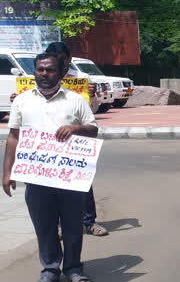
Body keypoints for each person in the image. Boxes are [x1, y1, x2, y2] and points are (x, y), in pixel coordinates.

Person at [2, 52, 99, 282]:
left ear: (62, 73)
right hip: (36, 176)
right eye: (40, 70)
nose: (44, 74)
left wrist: (75, 128)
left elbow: (93, 129)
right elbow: (13, 136)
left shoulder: (75, 100)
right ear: (34, 71)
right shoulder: (21, 101)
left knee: (72, 225)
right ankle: (50, 270)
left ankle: (74, 268)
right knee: (43, 225)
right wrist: (8, 172)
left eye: (50, 70)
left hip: (68, 176)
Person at [9, 42, 108, 237]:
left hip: (73, 146)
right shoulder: (38, 79)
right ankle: (58, 226)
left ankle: (88, 222)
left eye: (61, 58)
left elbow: (92, 113)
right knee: (46, 189)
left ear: (68, 60)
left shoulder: (81, 79)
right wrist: (15, 98)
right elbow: (23, 114)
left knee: (81, 185)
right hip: (43, 147)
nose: (46, 72)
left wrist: (93, 96)